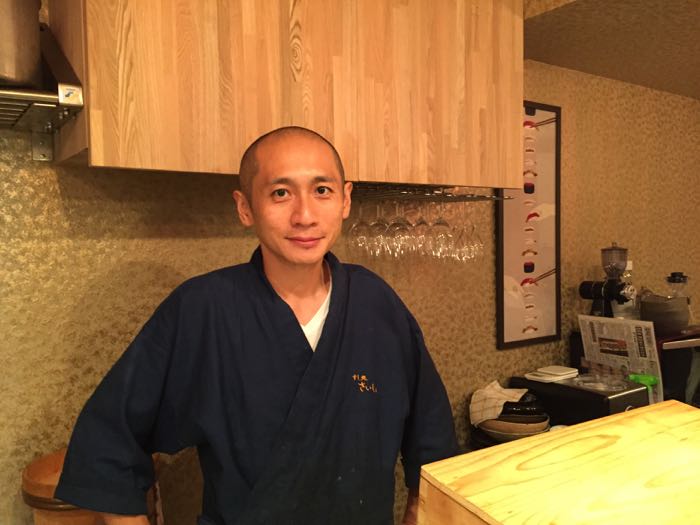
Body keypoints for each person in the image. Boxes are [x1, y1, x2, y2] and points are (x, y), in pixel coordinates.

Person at [56, 126, 458, 525]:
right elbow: (107, 441)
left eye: (322, 190)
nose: (304, 216)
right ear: (245, 207)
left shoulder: (376, 303)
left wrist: (417, 515)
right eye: (280, 193)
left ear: (345, 199)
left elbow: (432, 439)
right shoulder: (204, 308)